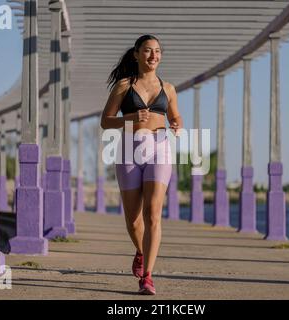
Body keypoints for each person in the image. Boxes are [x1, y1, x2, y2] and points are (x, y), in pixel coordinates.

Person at [100, 34, 183, 295]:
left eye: (157, 51)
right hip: (128, 149)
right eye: (148, 51)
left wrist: (177, 124)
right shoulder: (124, 86)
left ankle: (147, 276)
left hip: (159, 148)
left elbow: (175, 115)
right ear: (136, 54)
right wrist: (132, 117)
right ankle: (140, 251)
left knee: (153, 213)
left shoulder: (168, 88)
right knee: (134, 220)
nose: (153, 56)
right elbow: (106, 120)